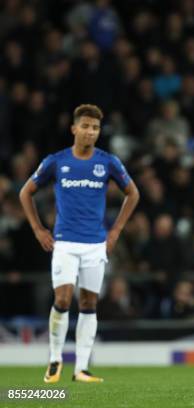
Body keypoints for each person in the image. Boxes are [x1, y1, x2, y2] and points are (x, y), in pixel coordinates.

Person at [19, 104, 140, 383]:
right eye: (85, 126)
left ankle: (81, 369)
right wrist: (38, 229)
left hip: (95, 245)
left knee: (89, 303)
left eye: (95, 128)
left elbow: (132, 193)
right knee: (62, 299)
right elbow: (26, 192)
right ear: (74, 129)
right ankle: (54, 359)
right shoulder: (56, 161)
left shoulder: (107, 162)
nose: (90, 132)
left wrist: (116, 231)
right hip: (64, 243)